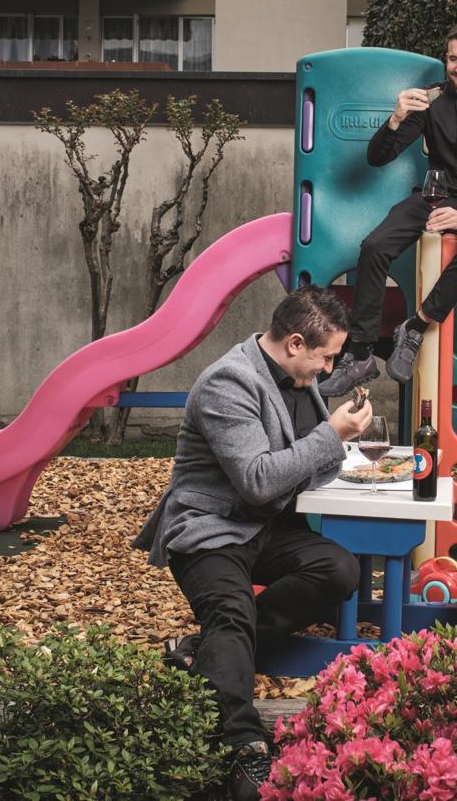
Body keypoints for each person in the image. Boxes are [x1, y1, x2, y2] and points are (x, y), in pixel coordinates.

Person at [134, 285, 372, 801]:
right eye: (325, 357)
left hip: (264, 527)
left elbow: (317, 464)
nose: (329, 371)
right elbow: (260, 479)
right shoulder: (229, 382)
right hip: (210, 527)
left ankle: (203, 654)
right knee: (231, 613)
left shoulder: (295, 377)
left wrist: (334, 441)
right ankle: (246, 749)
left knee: (339, 571)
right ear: (293, 343)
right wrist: (331, 435)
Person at [319, 20, 457, 395]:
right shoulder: (431, 99)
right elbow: (377, 157)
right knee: (374, 246)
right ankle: (362, 353)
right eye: (453, 59)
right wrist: (396, 118)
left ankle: (416, 326)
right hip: (435, 194)